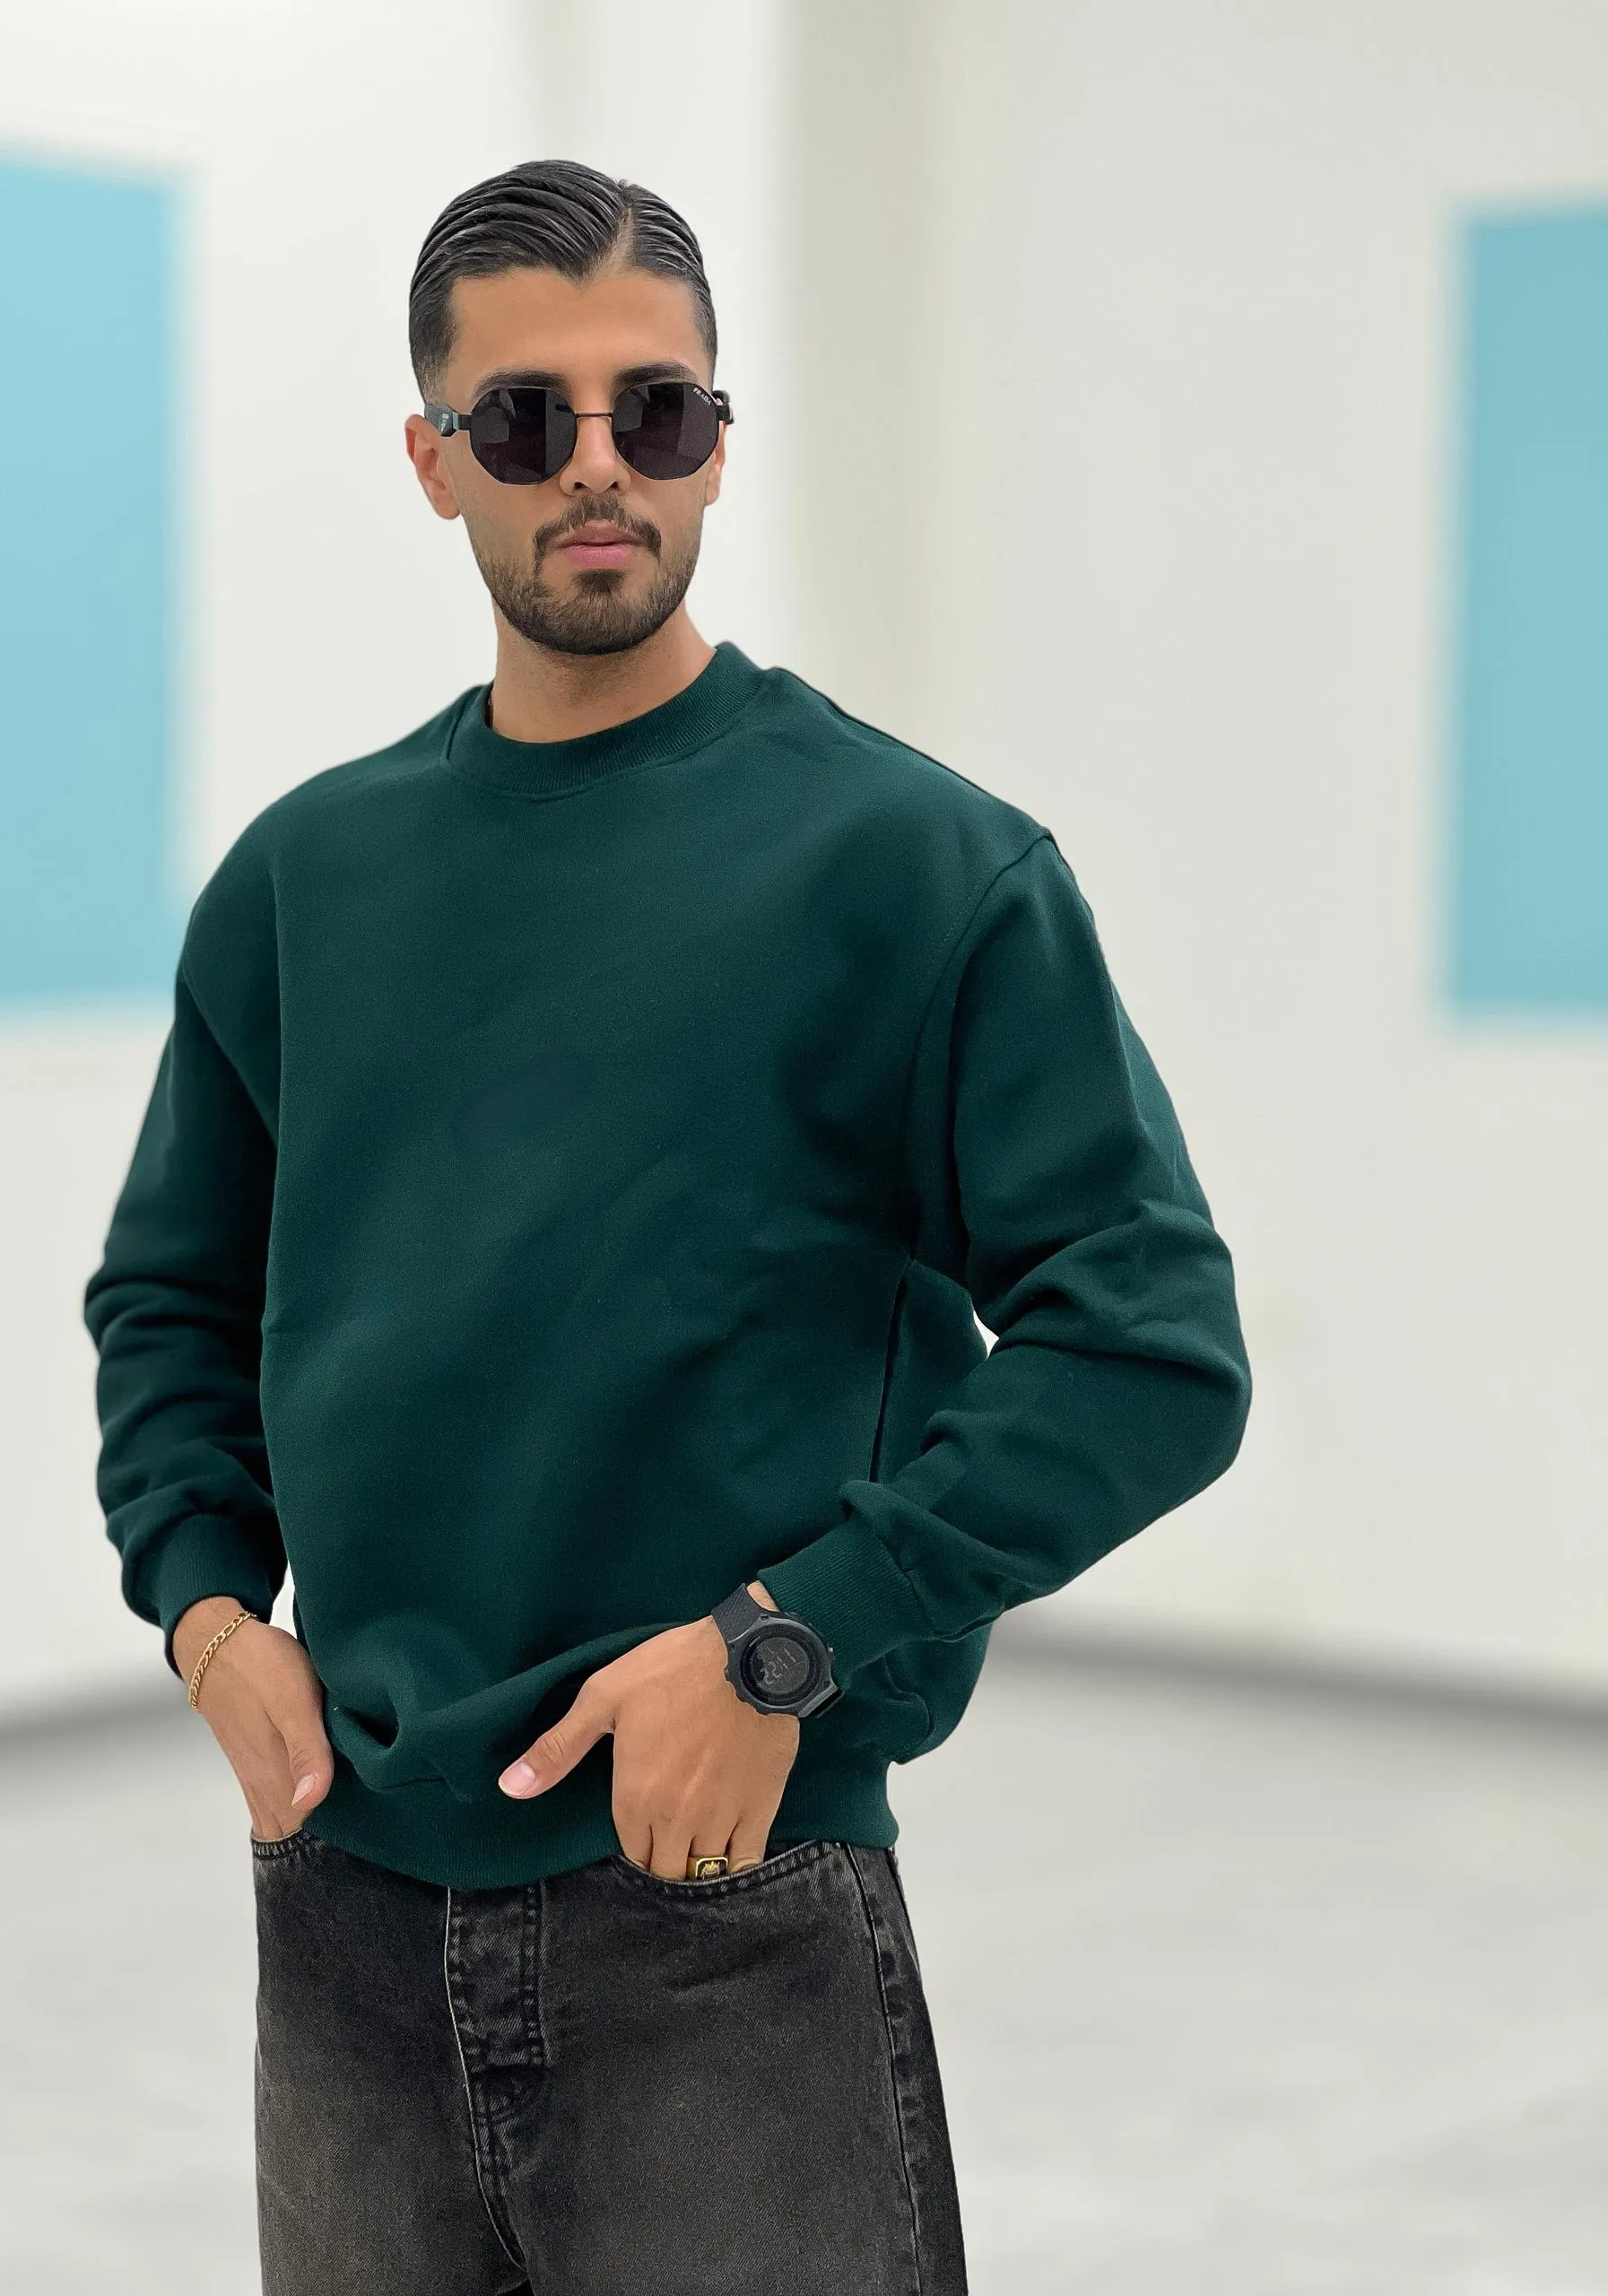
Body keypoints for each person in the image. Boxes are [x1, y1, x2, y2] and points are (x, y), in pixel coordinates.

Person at [83, 157, 1253, 2296]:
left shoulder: (918, 867)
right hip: (343, 1914)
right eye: (529, 418)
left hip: (723, 1907)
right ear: (436, 461)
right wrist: (207, 1612)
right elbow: (172, 1294)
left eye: (658, 408)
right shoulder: (303, 882)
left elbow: (1151, 1346)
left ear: (720, 437)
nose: (598, 465)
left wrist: (786, 1641)